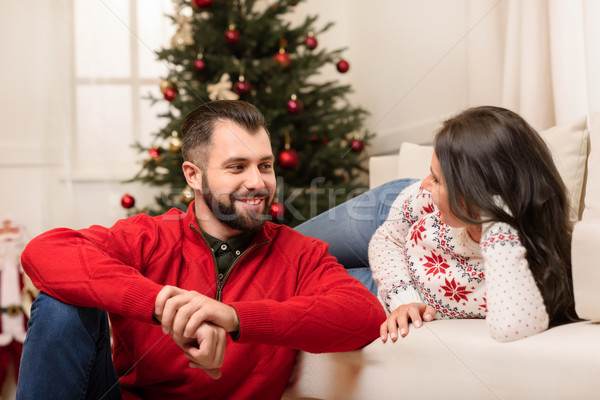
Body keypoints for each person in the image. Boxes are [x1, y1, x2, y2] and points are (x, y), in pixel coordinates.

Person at [16, 100, 386, 400]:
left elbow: (364, 315)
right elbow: (44, 250)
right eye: (237, 167)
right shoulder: (150, 236)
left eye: (266, 166)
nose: (257, 182)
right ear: (193, 175)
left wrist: (233, 317)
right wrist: (165, 306)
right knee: (60, 302)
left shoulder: (298, 252)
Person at [299, 106, 580, 343]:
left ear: (475, 194)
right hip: (393, 221)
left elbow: (512, 327)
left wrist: (496, 224)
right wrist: (403, 299)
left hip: (394, 282)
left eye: (436, 179)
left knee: (290, 280)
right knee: (282, 248)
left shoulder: (529, 262)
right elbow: (386, 240)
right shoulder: (425, 195)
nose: (425, 183)